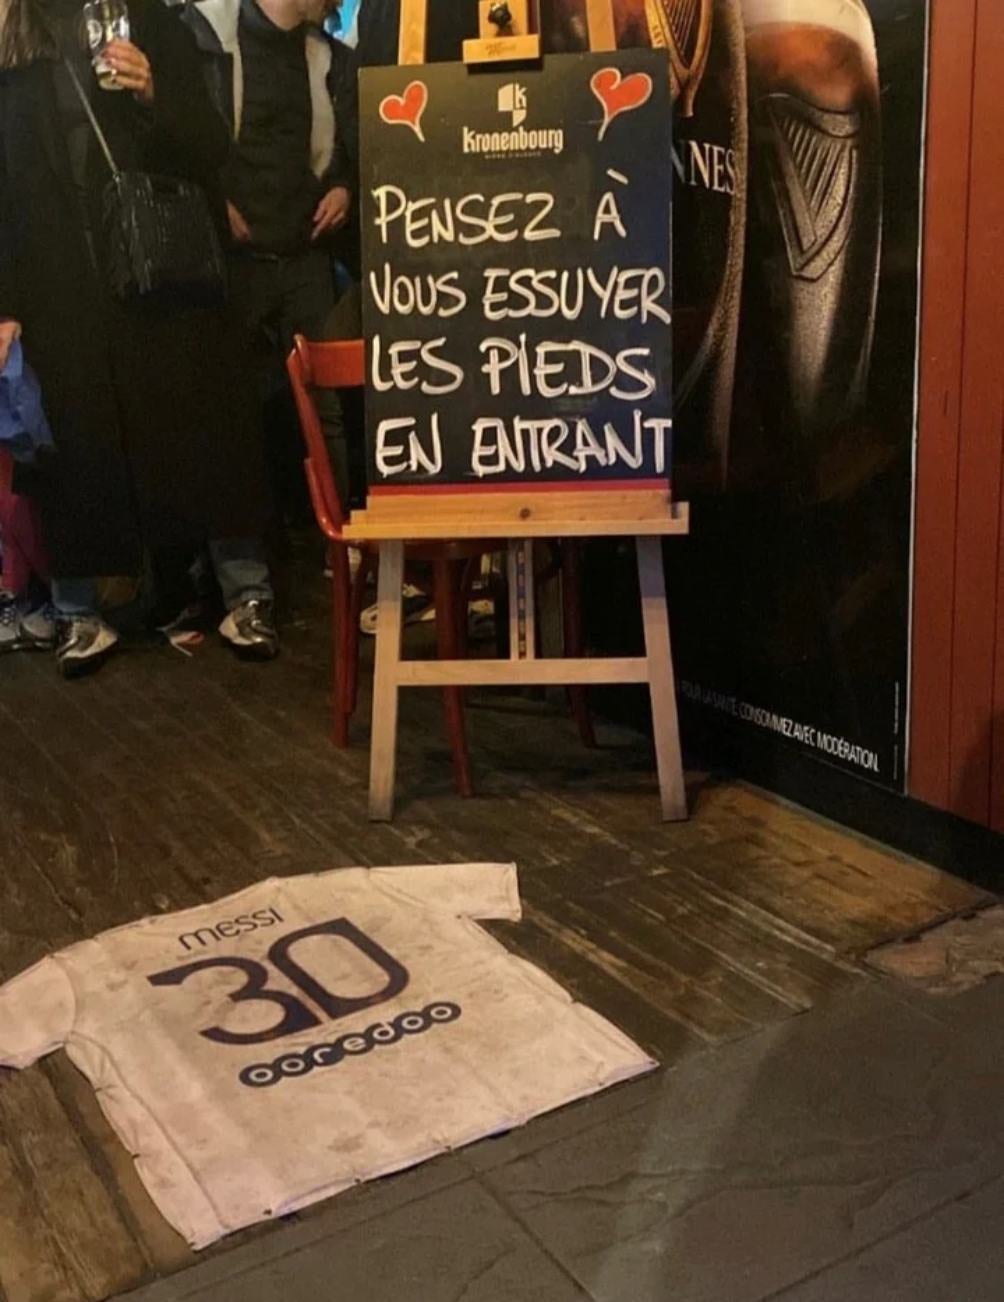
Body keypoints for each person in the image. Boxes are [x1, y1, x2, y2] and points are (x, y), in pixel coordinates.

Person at [0, 0, 278, 677]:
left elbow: (212, 147)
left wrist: (156, 90)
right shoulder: (15, 46)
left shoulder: (149, 22)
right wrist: (5, 305)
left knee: (204, 423)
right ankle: (78, 611)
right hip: (60, 284)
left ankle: (246, 594)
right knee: (73, 439)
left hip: (161, 264)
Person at [184, 0, 358, 506]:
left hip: (306, 252)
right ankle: (255, 547)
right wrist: (214, 202)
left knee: (325, 406)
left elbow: (352, 146)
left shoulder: (330, 58)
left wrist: (344, 187)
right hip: (234, 260)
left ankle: (337, 537)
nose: (333, 3)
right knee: (234, 411)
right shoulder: (206, 38)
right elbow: (185, 138)